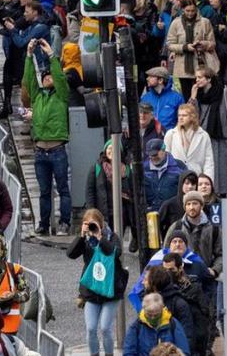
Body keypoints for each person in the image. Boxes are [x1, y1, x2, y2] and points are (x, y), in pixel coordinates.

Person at [22, 38, 71, 235]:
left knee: (62, 189)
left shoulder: (61, 96)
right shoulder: (37, 97)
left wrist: (51, 56)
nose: (47, 78)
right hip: (40, 151)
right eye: (45, 76)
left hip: (58, 150)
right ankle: (43, 223)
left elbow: (60, 77)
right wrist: (28, 55)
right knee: (44, 192)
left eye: (50, 76)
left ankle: (65, 222)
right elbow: (29, 79)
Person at [67, 208, 127, 356]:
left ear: (100, 224)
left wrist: (101, 238)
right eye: (87, 224)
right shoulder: (86, 240)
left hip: (110, 289)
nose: (91, 227)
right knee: (91, 328)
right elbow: (71, 254)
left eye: (93, 224)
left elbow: (115, 253)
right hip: (92, 290)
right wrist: (81, 236)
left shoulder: (111, 237)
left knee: (106, 327)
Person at [123, 292, 189, 356]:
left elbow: (183, 351)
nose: (152, 318)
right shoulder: (136, 326)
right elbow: (128, 351)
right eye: (149, 314)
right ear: (144, 310)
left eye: (156, 315)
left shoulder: (173, 324)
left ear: (162, 309)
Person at [162, 103, 215, 178]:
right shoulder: (171, 134)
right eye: (179, 115)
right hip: (176, 178)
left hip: (196, 176)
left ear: (192, 117)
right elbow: (165, 158)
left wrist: (208, 180)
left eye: (184, 115)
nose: (180, 118)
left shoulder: (203, 135)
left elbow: (208, 161)